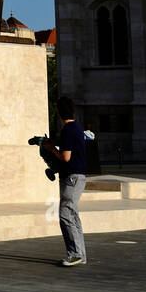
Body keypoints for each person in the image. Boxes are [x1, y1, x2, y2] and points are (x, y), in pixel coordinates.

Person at [43, 95, 88, 267]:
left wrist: (51, 148)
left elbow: (65, 157)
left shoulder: (68, 130)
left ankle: (75, 254)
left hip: (72, 177)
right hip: (78, 176)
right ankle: (80, 254)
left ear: (59, 113)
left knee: (65, 215)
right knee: (73, 215)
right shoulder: (77, 128)